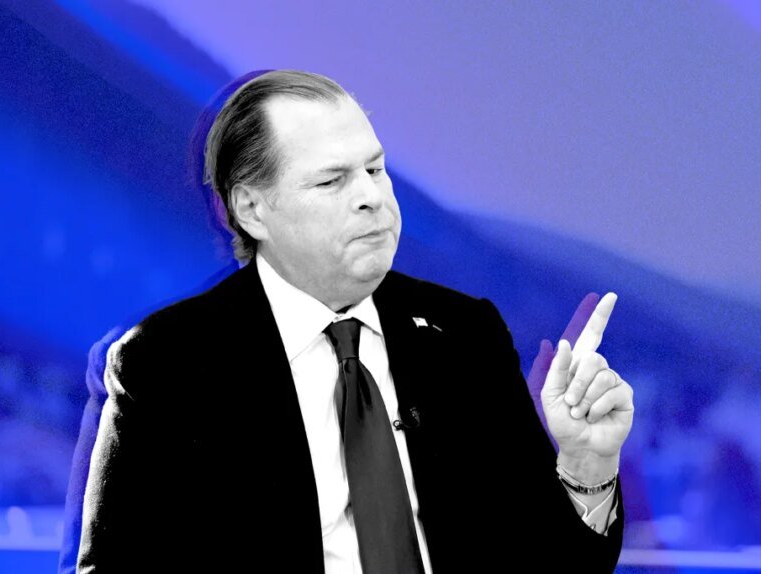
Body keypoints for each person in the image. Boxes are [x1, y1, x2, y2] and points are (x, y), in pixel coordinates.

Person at [75, 69, 634, 573]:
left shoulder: (464, 335)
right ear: (252, 209)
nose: (372, 197)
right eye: (331, 180)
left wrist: (587, 462)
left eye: (375, 169)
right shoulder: (166, 365)